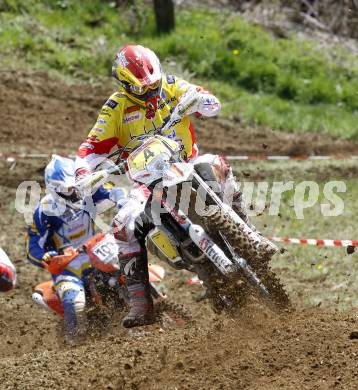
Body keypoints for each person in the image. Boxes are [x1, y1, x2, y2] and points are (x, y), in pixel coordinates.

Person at [74, 44, 272, 328]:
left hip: (186, 163)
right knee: (122, 224)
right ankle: (141, 302)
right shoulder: (115, 108)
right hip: (147, 181)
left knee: (219, 164)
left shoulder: (169, 85)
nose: (150, 92)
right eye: (142, 89)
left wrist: (199, 100)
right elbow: (89, 148)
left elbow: (209, 101)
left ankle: (250, 235)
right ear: (125, 85)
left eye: (152, 85)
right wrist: (84, 173)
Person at [27, 155, 125, 342]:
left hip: (96, 249)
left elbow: (110, 193)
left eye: (77, 185)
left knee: (129, 264)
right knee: (75, 302)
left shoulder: (85, 190)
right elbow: (33, 245)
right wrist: (49, 256)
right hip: (68, 267)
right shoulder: (45, 211)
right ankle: (73, 347)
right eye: (70, 188)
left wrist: (122, 201)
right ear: (57, 189)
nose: (76, 192)